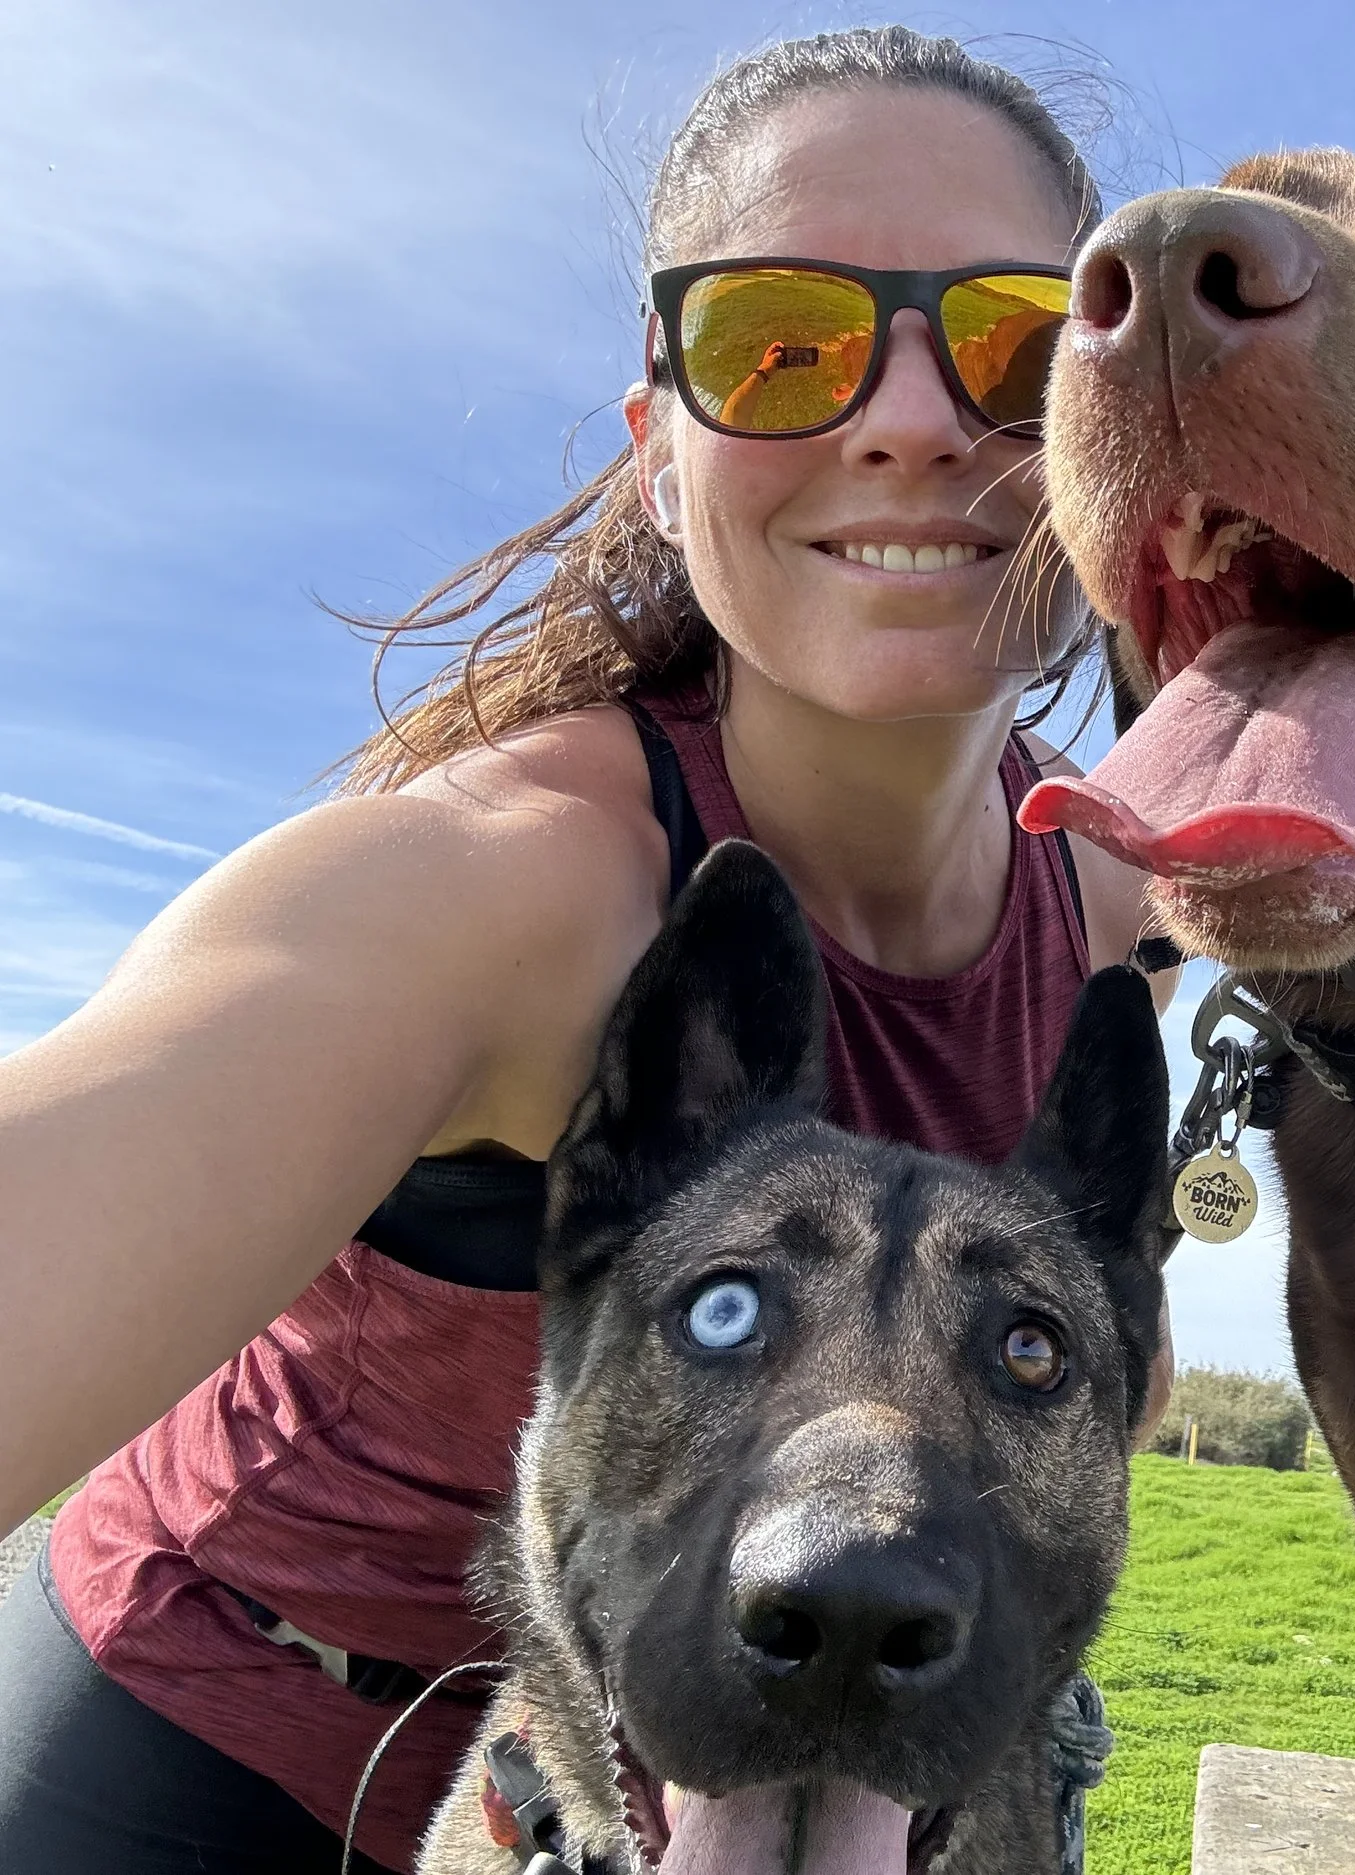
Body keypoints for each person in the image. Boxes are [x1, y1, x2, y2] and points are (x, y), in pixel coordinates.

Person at [0, 28, 1173, 1874]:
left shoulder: (1120, 901)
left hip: (795, 1742)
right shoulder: (501, 895)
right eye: (777, 342)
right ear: (662, 457)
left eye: (1018, 346)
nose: (913, 418)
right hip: (221, 1723)